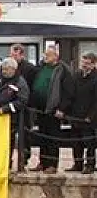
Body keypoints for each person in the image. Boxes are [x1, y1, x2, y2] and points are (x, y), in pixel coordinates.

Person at [28, 45, 75, 174]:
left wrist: (62, 108)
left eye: (48, 55)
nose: (45, 57)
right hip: (40, 108)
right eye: (45, 55)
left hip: (54, 109)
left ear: (56, 56)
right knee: (42, 136)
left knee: (53, 137)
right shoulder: (41, 67)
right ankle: (42, 162)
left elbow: (68, 92)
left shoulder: (63, 70)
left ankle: (52, 164)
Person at [0, 58, 30, 166]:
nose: (4, 72)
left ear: (13, 69)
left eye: (7, 69)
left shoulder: (20, 82)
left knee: (10, 141)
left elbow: (22, 100)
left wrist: (5, 108)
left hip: (13, 117)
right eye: (3, 69)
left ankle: (8, 163)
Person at [68, 52, 96, 174]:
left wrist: (91, 116)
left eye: (87, 63)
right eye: (83, 62)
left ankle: (89, 164)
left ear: (94, 64)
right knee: (76, 141)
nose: (84, 65)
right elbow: (71, 94)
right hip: (75, 114)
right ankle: (78, 163)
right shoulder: (76, 75)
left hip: (89, 116)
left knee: (89, 141)